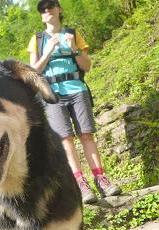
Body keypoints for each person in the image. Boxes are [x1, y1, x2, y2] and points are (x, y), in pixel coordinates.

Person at [27, 0, 121, 203]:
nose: (47, 10)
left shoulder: (73, 33)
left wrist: (75, 49)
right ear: (41, 16)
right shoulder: (38, 39)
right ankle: (80, 182)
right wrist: (48, 51)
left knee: (86, 135)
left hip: (77, 90)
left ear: (59, 9)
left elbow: (87, 66)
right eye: (42, 9)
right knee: (65, 139)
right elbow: (34, 71)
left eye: (50, 6)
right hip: (52, 96)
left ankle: (101, 178)